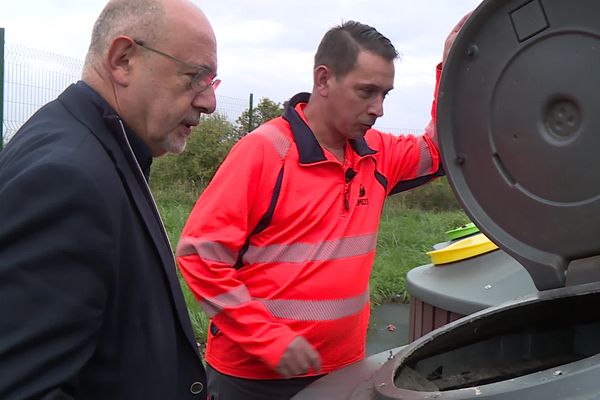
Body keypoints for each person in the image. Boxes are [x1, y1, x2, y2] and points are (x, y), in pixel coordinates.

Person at [176, 16, 469, 400]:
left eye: (385, 94)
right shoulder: (264, 152)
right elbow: (200, 256)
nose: (378, 108)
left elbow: (438, 149)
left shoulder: (378, 155)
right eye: (366, 92)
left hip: (342, 370)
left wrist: (452, 66)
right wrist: (267, 339)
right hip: (252, 381)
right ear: (323, 80)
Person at [0, 0, 219, 398]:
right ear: (123, 60)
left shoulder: (104, 146)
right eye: (195, 77)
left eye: (212, 83)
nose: (209, 102)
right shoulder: (67, 178)